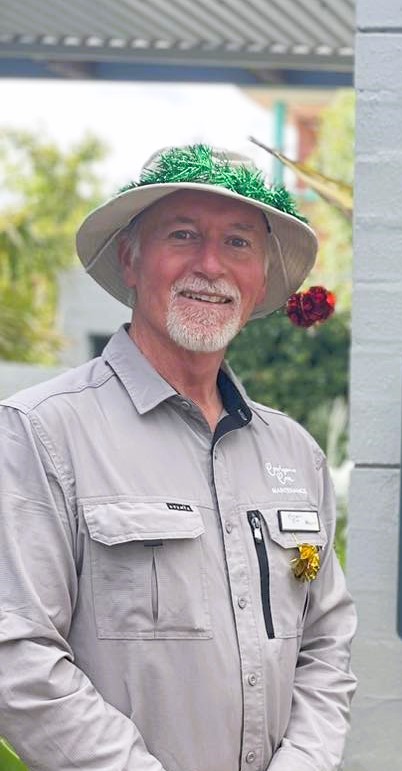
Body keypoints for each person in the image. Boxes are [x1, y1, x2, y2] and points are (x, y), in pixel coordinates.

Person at [0, 145, 357, 770]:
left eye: (239, 243)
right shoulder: (40, 433)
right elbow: (16, 651)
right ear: (131, 260)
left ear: (260, 278)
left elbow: (326, 642)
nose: (211, 265)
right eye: (183, 235)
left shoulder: (293, 454)